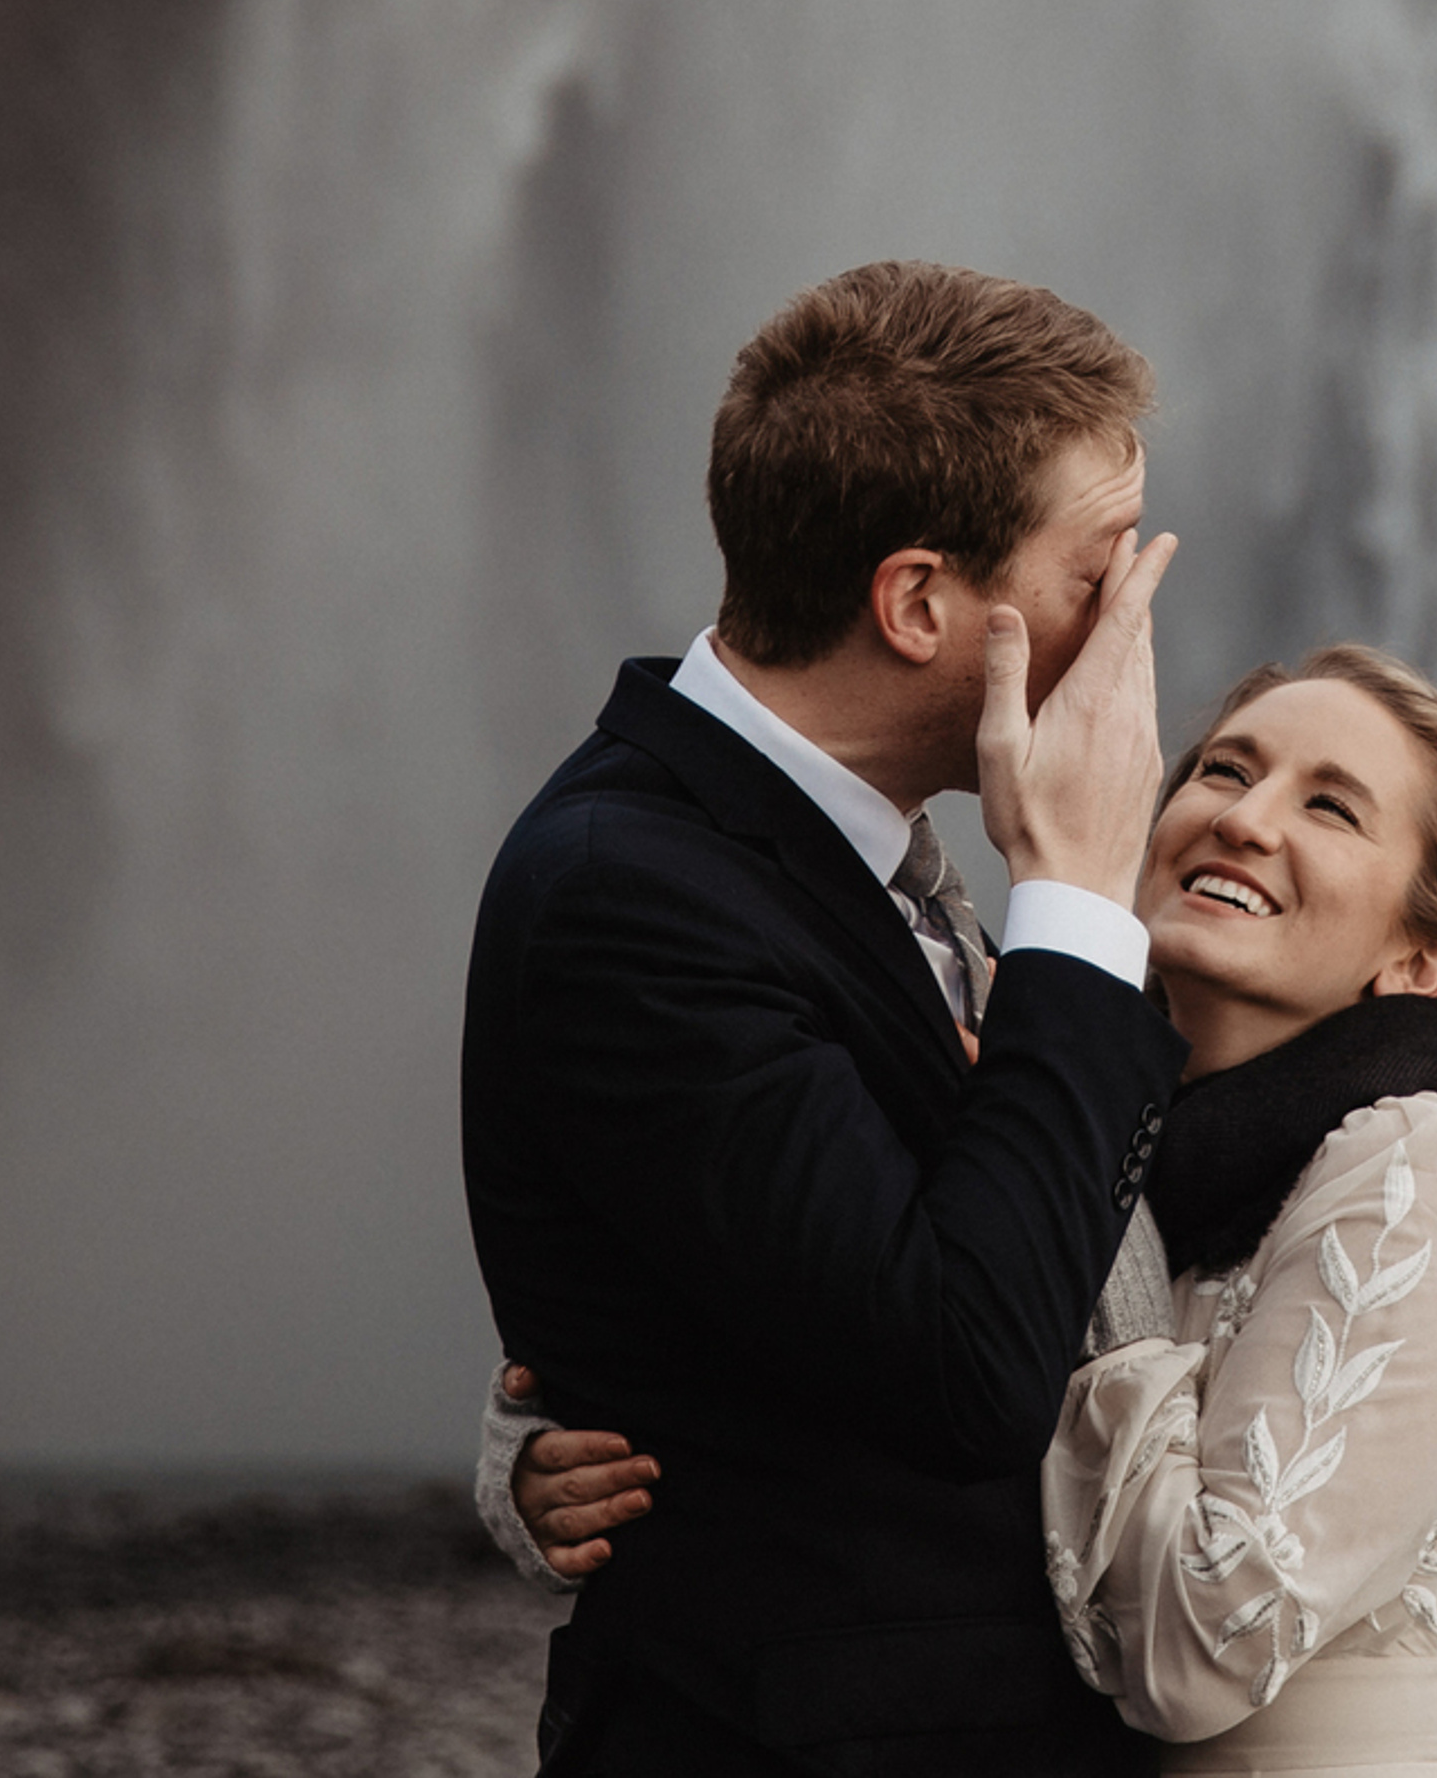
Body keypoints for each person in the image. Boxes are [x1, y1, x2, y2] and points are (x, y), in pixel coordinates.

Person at [493, 632, 1437, 1774]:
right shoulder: (1164, 1158)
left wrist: (1110, 1232)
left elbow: (1197, 1639)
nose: (1243, 818)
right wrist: (544, 1442)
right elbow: (858, 1302)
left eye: (1328, 806)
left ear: (1420, 960)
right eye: (1225, 770)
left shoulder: (1411, 1174)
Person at [461, 259, 1190, 1777]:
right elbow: (966, 1363)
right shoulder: (635, 898)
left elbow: (1037, 1217)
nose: (1130, 628)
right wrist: (1075, 903)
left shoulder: (860, 858)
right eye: (1099, 572)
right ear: (920, 603)